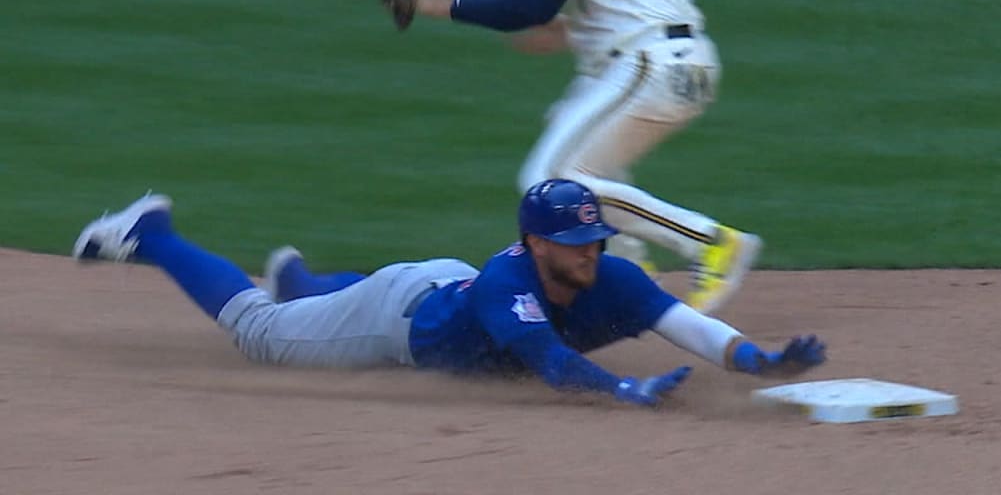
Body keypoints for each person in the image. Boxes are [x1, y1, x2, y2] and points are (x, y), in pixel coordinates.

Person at [72, 179, 825, 407]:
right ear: (536, 243)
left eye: (594, 239)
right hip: (393, 320)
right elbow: (554, 366)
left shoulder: (614, 277)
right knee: (260, 334)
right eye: (572, 244)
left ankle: (305, 285)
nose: (588, 254)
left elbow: (690, 327)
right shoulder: (512, 285)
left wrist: (758, 360)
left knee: (315, 305)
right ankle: (150, 231)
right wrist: (626, 387)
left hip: (434, 285)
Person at [392, 0, 760, 315]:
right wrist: (573, 31)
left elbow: (529, 6)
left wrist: (434, 3)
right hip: (677, 58)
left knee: (552, 181)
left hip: (649, 65)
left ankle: (709, 243)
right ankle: (629, 268)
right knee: (574, 140)